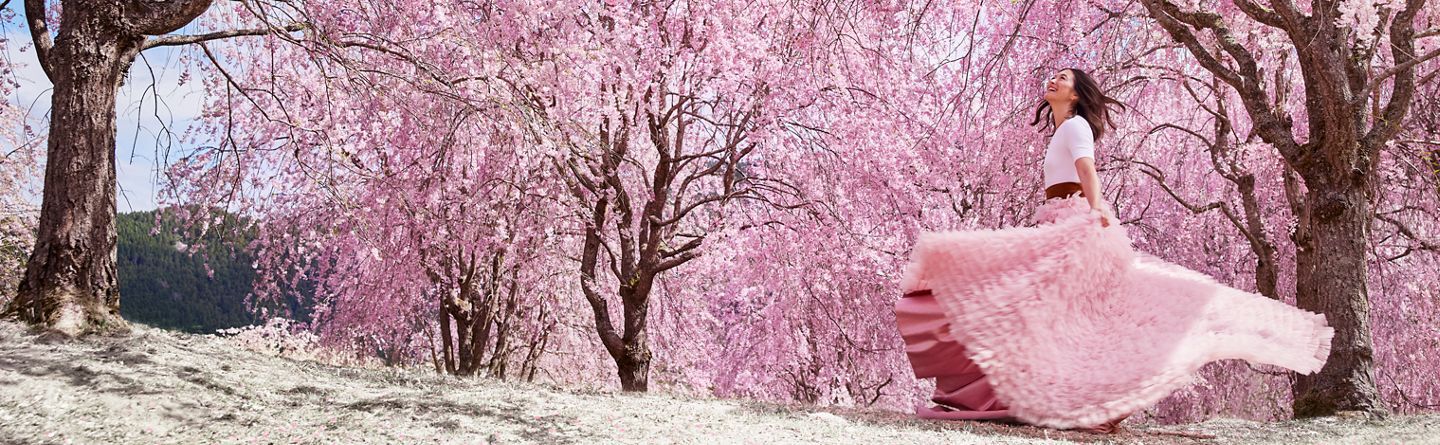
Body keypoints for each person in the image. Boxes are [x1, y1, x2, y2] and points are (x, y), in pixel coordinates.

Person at [894, 68, 1334, 433]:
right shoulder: (1064, 128)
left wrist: (1097, 210)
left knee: (1036, 300)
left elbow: (1087, 169)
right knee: (1047, 312)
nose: (1052, 81)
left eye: (1063, 78)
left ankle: (1065, 393)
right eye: (1053, 77)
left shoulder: (1077, 126)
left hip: (1074, 223)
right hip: (1060, 219)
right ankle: (1024, 391)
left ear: (1078, 93)